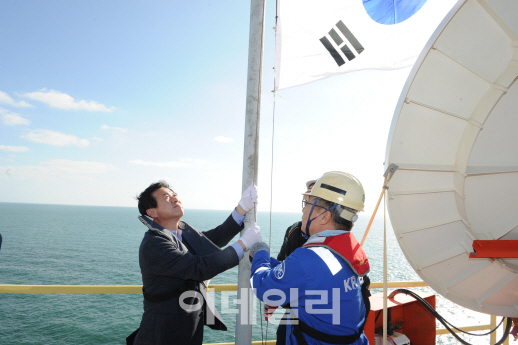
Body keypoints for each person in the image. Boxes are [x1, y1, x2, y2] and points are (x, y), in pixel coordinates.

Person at [131, 180, 262, 345]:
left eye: (174, 195)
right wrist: (243, 244)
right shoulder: (154, 243)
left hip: (187, 329)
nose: (175, 199)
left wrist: (242, 207)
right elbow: (199, 268)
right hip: (162, 334)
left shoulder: (180, 234)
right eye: (166, 197)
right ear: (152, 212)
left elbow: (215, 238)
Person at [250, 171, 371, 345]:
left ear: (325, 216)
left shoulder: (308, 257)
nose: (303, 209)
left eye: (307, 203)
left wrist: (260, 252)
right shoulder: (349, 249)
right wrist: (272, 263)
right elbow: (308, 275)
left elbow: (264, 288)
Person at [266, 179, 316, 344]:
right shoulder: (294, 231)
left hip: (320, 309)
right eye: (305, 201)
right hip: (295, 309)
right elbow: (282, 264)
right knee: (283, 335)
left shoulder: (332, 237)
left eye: (312, 200)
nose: (306, 206)